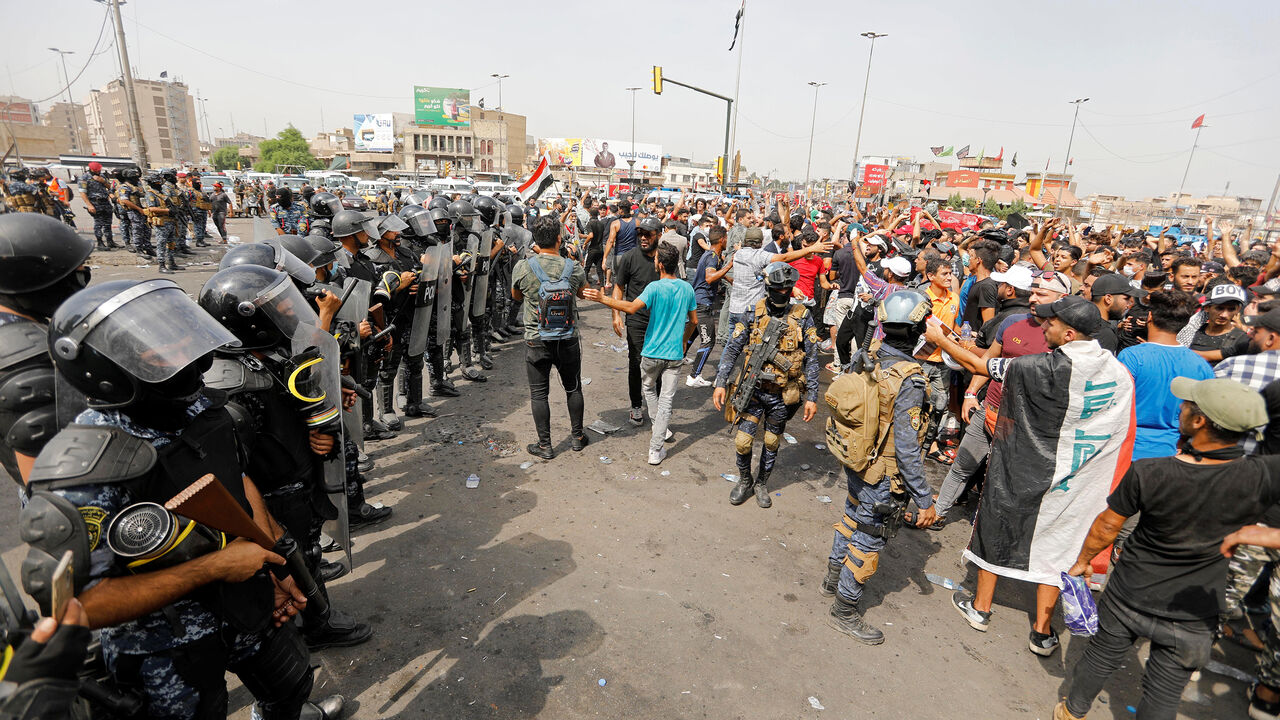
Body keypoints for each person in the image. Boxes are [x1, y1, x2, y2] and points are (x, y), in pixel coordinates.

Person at [25, 278, 344, 719]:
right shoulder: (80, 471)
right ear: (108, 370)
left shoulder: (201, 409)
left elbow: (236, 478)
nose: (187, 360)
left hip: (248, 602)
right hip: (167, 647)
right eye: (161, 351)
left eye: (183, 340)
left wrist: (272, 561)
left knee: (290, 688)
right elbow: (79, 605)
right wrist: (213, 567)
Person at [926, 295, 1135, 658]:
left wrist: (942, 341)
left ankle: (980, 608)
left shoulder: (1038, 367)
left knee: (997, 526)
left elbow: (980, 363)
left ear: (1069, 334)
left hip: (1023, 469)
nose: (1046, 327)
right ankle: (1042, 632)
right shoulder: (1117, 372)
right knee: (1061, 546)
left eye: (1052, 324)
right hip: (1077, 479)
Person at [1057, 378, 1276, 720]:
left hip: (1131, 593)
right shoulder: (1262, 475)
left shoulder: (1151, 472)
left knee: (1100, 658)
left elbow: (1107, 526)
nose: (1182, 407)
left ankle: (1071, 712)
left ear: (1200, 422)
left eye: (1188, 405)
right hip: (1195, 609)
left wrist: (1084, 562)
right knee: (1164, 692)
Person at [821, 290, 938, 645]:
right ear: (917, 330)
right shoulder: (911, 380)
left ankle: (831, 578)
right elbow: (907, 446)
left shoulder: (867, 356)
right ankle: (844, 609)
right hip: (884, 473)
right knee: (868, 540)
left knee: (851, 519)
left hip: (858, 460)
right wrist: (924, 496)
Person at [713, 262, 822, 509]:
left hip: (783, 394)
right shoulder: (752, 312)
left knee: (772, 442)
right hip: (754, 389)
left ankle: (762, 482)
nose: (781, 294)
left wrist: (813, 396)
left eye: (786, 289)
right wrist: (720, 382)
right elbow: (732, 349)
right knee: (742, 441)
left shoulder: (803, 317)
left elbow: (813, 358)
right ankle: (744, 480)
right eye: (777, 289)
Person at [0, 214, 93, 485]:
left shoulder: (14, 325)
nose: (82, 277)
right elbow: (47, 479)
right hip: (69, 496)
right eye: (75, 272)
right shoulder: (29, 362)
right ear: (33, 276)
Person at [585, 242, 697, 464]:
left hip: (652, 352)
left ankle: (657, 436)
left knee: (649, 389)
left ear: (660, 264)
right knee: (666, 399)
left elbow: (631, 308)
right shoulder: (687, 289)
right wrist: (684, 341)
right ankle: (657, 444)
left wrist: (603, 299)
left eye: (656, 259)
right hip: (674, 354)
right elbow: (693, 322)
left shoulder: (654, 288)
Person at [512, 214, 589, 459]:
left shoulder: (524, 266)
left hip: (537, 339)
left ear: (535, 239)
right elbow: (583, 294)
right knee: (573, 387)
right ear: (559, 238)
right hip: (567, 338)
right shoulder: (573, 267)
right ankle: (577, 437)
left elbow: (516, 297)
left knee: (538, 393)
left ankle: (545, 445)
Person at [1117, 290, 1212, 461]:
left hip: (1129, 452)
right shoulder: (1201, 365)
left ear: (1150, 317)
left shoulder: (1131, 357)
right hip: (1175, 455)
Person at [612, 217, 665, 425]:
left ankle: (658, 406)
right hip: (636, 320)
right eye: (640, 233)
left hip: (660, 321)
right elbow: (619, 287)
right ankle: (636, 405)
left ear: (658, 235)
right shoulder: (629, 257)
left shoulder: (665, 257)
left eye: (648, 234)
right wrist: (616, 314)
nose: (643, 238)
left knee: (660, 364)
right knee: (636, 363)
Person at [687, 226, 732, 388]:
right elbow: (710, 278)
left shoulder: (711, 255)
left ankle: (676, 361)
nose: (727, 241)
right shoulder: (712, 256)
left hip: (698, 302)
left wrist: (730, 278)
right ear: (721, 240)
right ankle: (694, 376)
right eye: (726, 238)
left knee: (691, 336)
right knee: (708, 341)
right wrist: (729, 266)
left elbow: (717, 271)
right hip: (701, 303)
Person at [1088, 272, 1143, 354]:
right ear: (1108, 299)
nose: (1128, 305)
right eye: (1126, 299)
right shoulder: (1105, 334)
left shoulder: (1084, 320)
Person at [1190, 282, 1248, 353]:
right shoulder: (1192, 332)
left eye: (1231, 309)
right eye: (1219, 308)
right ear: (1207, 307)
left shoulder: (1242, 340)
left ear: (1238, 310)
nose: (1224, 315)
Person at [142, 171, 180, 274]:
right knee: (161, 244)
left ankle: (171, 263)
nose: (160, 182)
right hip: (161, 222)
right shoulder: (151, 194)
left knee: (171, 243)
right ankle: (162, 265)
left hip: (171, 221)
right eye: (158, 181)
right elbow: (152, 208)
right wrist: (167, 211)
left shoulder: (162, 193)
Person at [80, 161, 118, 250]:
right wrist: (89, 205)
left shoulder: (102, 176)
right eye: (96, 170)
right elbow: (82, 193)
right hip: (95, 203)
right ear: (91, 169)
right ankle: (100, 243)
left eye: (99, 170)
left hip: (105, 202)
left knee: (108, 223)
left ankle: (110, 242)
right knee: (98, 224)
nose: (98, 171)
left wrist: (103, 181)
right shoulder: (84, 178)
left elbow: (110, 188)